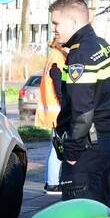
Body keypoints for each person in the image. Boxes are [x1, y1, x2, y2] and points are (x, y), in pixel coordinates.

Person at [50, 0, 110, 209]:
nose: (54, 30)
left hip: (88, 149)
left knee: (79, 213)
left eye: (56, 24)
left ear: (73, 22)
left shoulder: (80, 55)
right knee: (101, 208)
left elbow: (82, 111)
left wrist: (72, 152)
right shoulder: (103, 46)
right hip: (107, 143)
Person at [36, 38, 68, 194]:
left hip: (52, 111)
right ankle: (53, 183)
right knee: (58, 148)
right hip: (57, 111)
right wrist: (66, 107)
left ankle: (51, 181)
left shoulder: (53, 57)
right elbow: (59, 87)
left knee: (54, 147)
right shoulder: (58, 59)